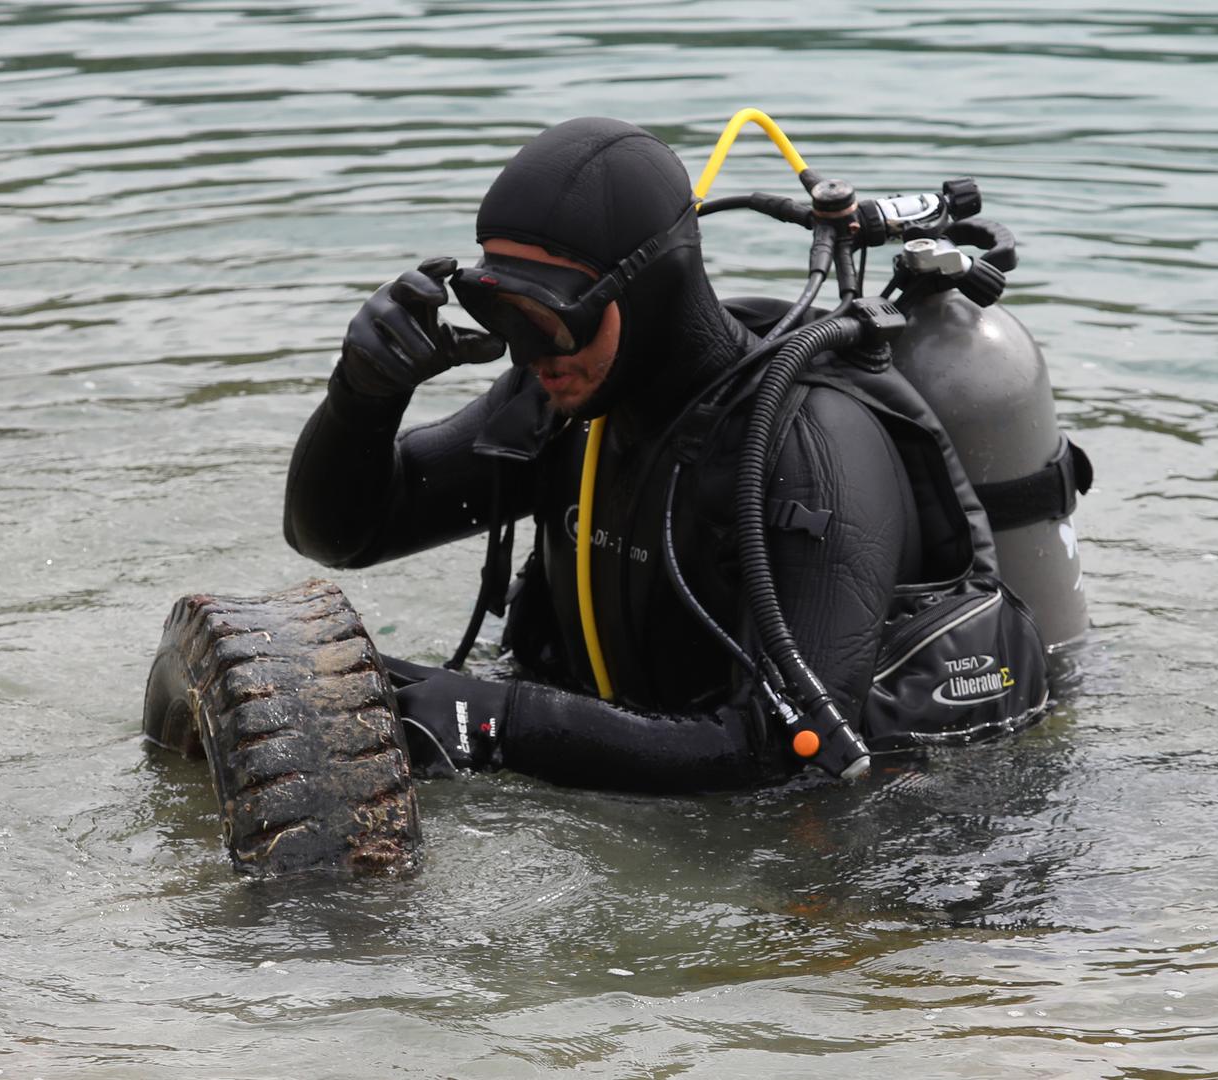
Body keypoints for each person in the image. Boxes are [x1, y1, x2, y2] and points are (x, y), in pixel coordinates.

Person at [283, 117, 1048, 792]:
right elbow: (342, 536)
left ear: (647, 290)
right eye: (497, 307)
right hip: (624, 760)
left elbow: (786, 753)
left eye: (547, 315)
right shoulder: (562, 396)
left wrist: (499, 723)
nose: (527, 352)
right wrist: (363, 396)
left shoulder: (811, 448)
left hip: (879, 843)